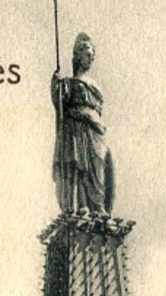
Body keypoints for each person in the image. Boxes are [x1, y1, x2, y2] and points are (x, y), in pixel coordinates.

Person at [52, 33, 115, 216]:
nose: (90, 58)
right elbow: (61, 105)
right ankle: (82, 205)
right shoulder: (69, 83)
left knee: (98, 164)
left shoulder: (94, 85)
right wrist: (56, 84)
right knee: (80, 165)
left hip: (95, 131)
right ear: (77, 55)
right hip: (78, 129)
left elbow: (98, 109)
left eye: (92, 55)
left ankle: (99, 205)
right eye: (87, 54)